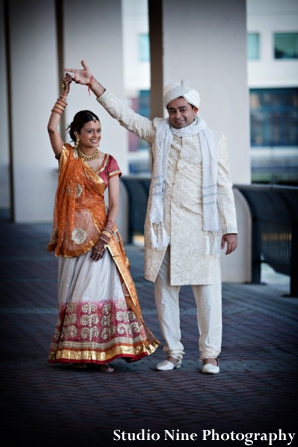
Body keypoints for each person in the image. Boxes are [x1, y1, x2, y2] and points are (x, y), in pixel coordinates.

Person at [65, 61, 238, 374]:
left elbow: (224, 186)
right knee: (165, 295)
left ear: (195, 109)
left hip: (202, 230)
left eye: (183, 109)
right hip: (164, 229)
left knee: (208, 296)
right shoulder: (159, 131)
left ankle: (210, 355)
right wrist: (94, 85)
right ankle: (173, 352)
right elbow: (125, 117)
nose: (177, 115)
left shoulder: (214, 140)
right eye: (172, 110)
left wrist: (230, 228)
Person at [47, 73, 159, 371]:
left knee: (101, 292)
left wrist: (104, 238)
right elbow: (49, 128)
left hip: (102, 239)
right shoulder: (68, 157)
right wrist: (64, 95)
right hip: (73, 238)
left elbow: (116, 204)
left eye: (98, 130)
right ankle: (79, 353)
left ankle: (102, 355)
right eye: (89, 130)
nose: (95, 135)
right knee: (76, 293)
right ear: (77, 134)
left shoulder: (109, 161)